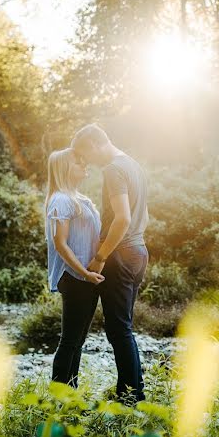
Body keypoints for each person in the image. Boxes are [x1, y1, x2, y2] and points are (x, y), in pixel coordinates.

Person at [71, 123, 149, 405]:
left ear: (94, 144)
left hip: (119, 253)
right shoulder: (134, 165)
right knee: (123, 326)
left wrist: (101, 256)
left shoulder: (113, 169)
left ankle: (132, 397)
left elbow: (123, 218)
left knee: (118, 330)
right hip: (139, 251)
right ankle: (129, 390)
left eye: (85, 154)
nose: (87, 160)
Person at [45, 148, 104, 389]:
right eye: (78, 163)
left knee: (78, 341)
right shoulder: (61, 199)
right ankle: (59, 397)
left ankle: (70, 392)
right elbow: (61, 244)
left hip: (87, 277)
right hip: (74, 276)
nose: (84, 164)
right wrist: (84, 272)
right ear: (65, 169)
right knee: (70, 340)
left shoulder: (81, 198)